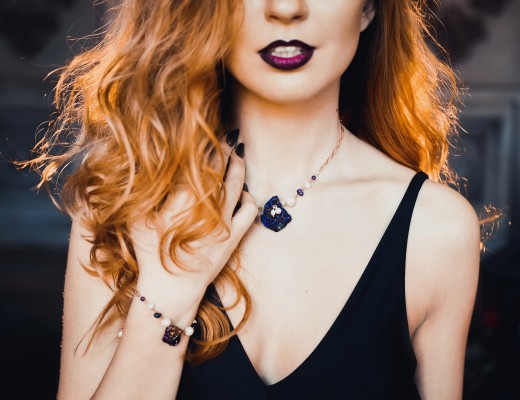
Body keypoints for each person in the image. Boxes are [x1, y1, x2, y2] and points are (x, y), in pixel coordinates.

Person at [25, 0, 483, 398]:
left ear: (368, 8)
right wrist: (166, 297)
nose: (285, 9)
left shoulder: (436, 230)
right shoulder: (120, 204)